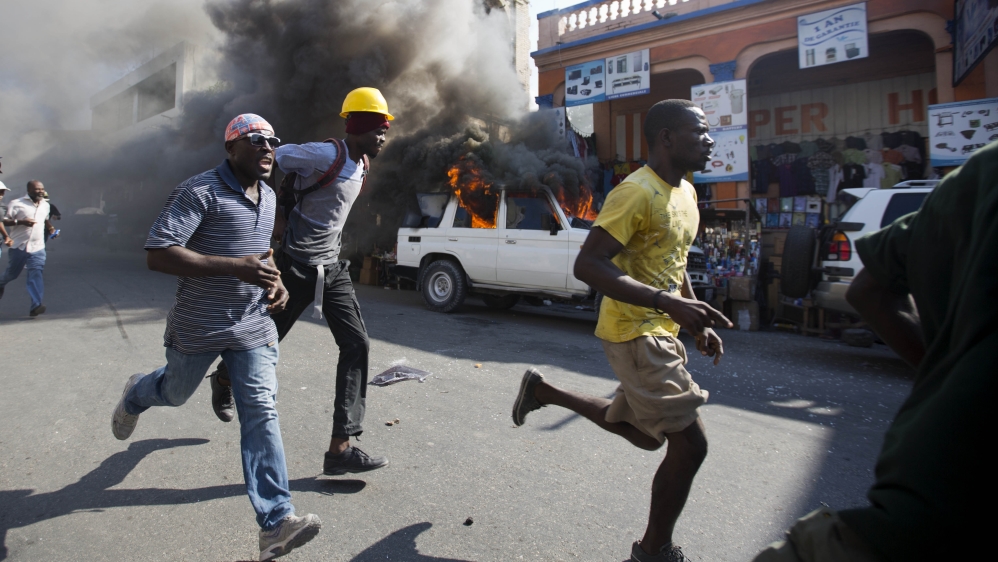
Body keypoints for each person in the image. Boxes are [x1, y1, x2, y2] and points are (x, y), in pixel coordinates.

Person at [752, 142, 997, 562]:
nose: (707, 143)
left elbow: (867, 289)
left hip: (923, 481)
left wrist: (944, 377)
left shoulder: (978, 174)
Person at [511, 99, 731, 562]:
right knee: (691, 445)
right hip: (635, 331)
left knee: (643, 434)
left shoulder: (687, 194)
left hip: (661, 328)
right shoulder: (635, 192)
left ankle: (542, 391)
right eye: (699, 131)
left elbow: (673, 263)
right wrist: (667, 303)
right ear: (667, 137)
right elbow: (588, 264)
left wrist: (689, 317)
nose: (709, 140)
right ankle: (653, 550)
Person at [110, 114, 321, 561]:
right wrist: (234, 267)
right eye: (256, 140)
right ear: (231, 148)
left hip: (252, 325)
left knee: (261, 409)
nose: (268, 148)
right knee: (174, 393)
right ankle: (136, 393)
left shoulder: (268, 197)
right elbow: (158, 253)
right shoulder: (199, 191)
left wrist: (276, 282)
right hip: (199, 325)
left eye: (273, 141)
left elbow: (261, 255)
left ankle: (276, 522)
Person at [207, 87, 392, 477]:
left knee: (356, 344)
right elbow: (276, 156)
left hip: (332, 269)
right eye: (378, 129)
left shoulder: (362, 164)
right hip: (295, 268)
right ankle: (223, 378)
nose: (383, 137)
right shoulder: (324, 155)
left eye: (385, 130)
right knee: (262, 341)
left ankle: (340, 449)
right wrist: (275, 212)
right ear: (358, 127)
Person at [0, 180, 55, 315]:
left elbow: (45, 219)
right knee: (12, 274)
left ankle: (36, 305)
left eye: (42, 189)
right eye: (37, 189)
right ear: (29, 190)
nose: (40, 191)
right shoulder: (16, 204)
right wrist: (21, 222)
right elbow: (3, 220)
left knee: (36, 273)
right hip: (19, 246)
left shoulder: (45, 205)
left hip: (38, 247)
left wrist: (51, 229)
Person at [0, 181, 13, 250]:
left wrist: (6, 237)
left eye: (2, 191)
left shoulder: (3, 207)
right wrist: (6, 236)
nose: (1, 194)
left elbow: (1, 221)